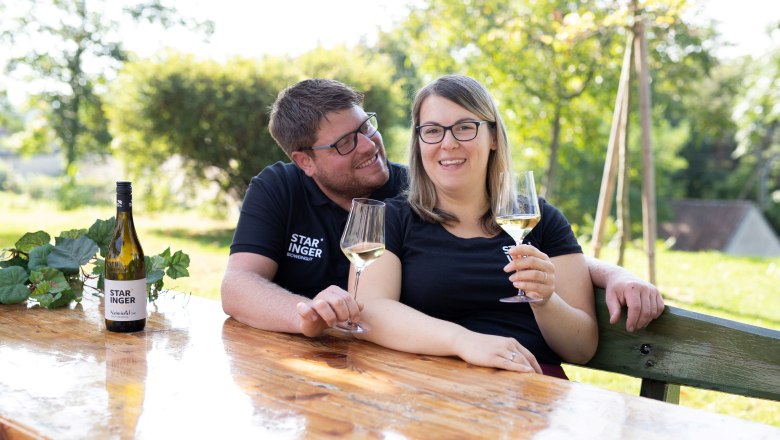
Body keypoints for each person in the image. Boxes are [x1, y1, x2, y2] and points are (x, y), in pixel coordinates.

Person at [221, 78, 663, 340]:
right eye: (344, 143)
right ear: (305, 162)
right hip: (324, 357)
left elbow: (504, 237)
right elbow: (237, 286)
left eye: (366, 127)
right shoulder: (280, 188)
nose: (368, 146)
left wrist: (612, 273)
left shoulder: (416, 189)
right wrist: (307, 316)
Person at [347, 74, 594, 376]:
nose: (448, 143)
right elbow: (369, 309)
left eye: (465, 127)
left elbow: (582, 349)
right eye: (433, 131)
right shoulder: (393, 218)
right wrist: (463, 341)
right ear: (419, 141)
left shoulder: (540, 218)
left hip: (529, 383)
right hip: (429, 381)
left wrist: (545, 301)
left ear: (493, 137)